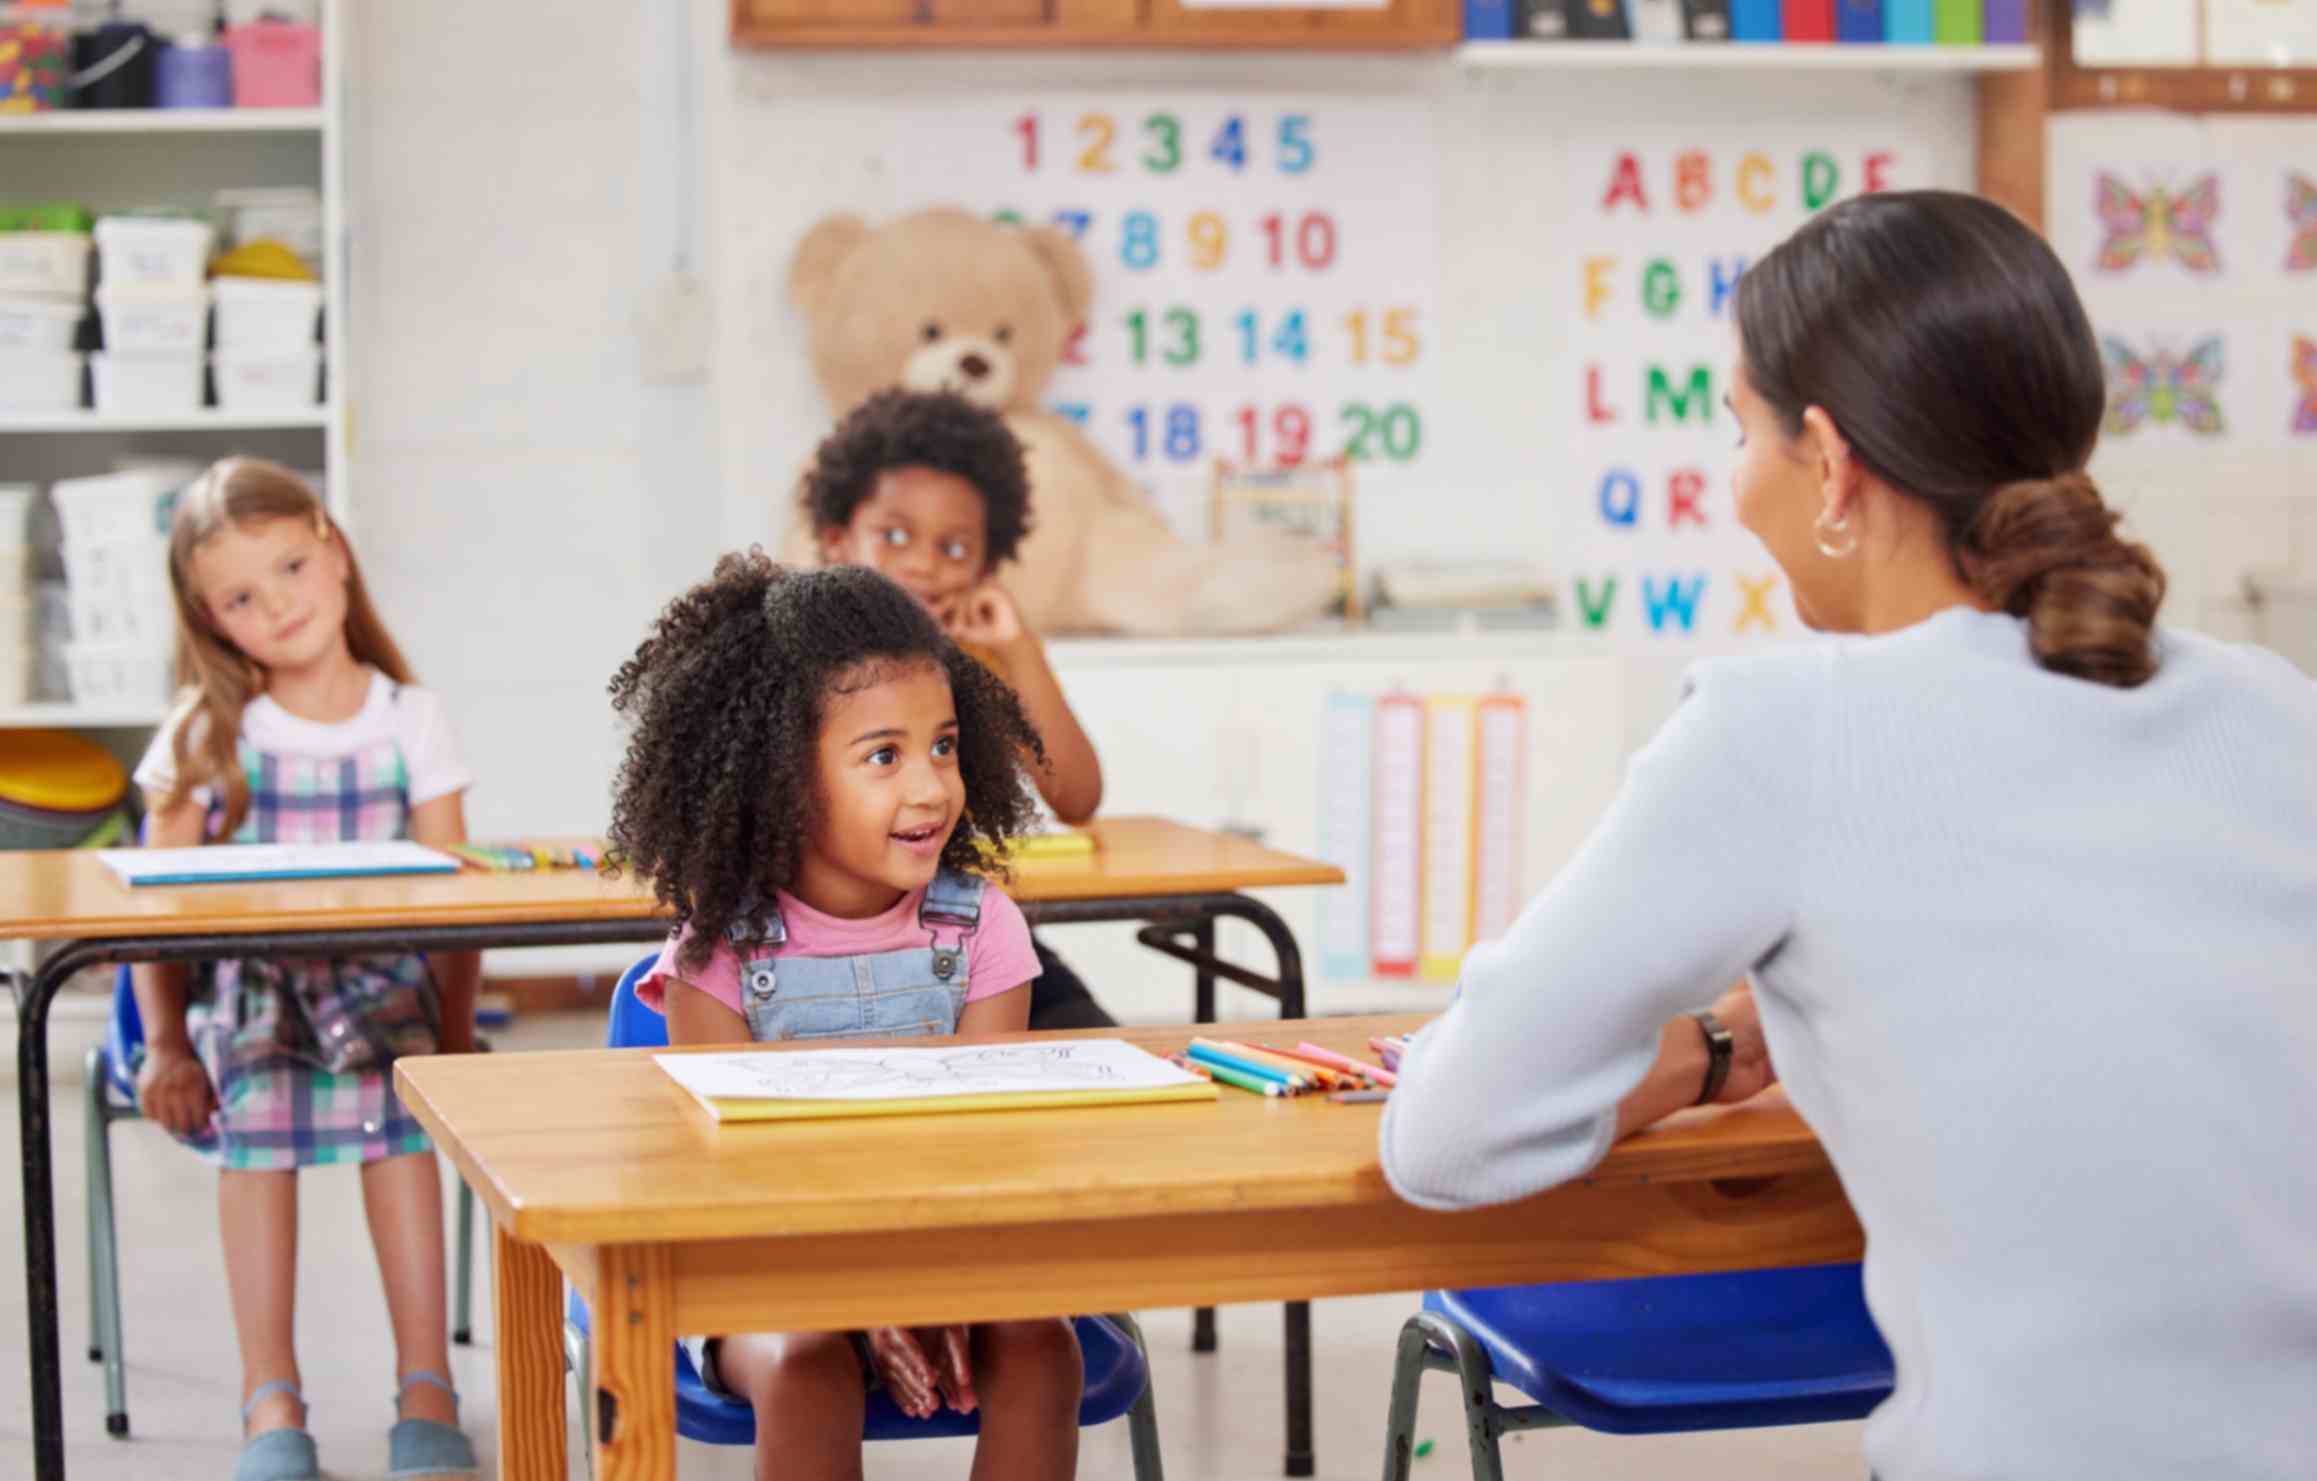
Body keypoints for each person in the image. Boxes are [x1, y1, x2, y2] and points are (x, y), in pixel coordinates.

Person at [1380, 191, 2317, 1481]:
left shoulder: (1787, 727)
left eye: (1739, 432)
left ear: (1828, 461)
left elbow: (1447, 1134)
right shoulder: (2270, 703)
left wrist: (1716, 1052)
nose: (1736, 486)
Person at [608, 554, 1082, 1481]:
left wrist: (930, 1282)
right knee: (807, 1363)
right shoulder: (719, 952)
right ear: (780, 775)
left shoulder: (981, 924)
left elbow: (985, 1148)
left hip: (947, 1241)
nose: (931, 787)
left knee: (1041, 1346)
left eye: (943, 745)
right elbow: (729, 1184)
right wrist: (864, 1299)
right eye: (883, 756)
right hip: (767, 1263)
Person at [130, 457, 482, 1481]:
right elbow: (147, 914)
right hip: (254, 996)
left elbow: (459, 902)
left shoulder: (409, 715)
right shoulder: (209, 733)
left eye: (289, 565)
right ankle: (269, 1399)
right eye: (242, 594)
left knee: (398, 1115)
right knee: (258, 1119)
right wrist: (161, 1045)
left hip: (384, 990)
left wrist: (455, 1037)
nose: (277, 602)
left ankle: (427, 1388)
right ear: (209, 616)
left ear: (333, 548)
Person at [802, 388, 1116, 1028]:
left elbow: (1077, 797)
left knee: (1097, 1047)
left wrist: (1017, 648)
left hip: (966, 942)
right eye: (893, 536)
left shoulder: (977, 658)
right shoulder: (799, 656)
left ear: (986, 563)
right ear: (837, 541)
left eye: (953, 548)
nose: (922, 563)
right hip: (811, 955)